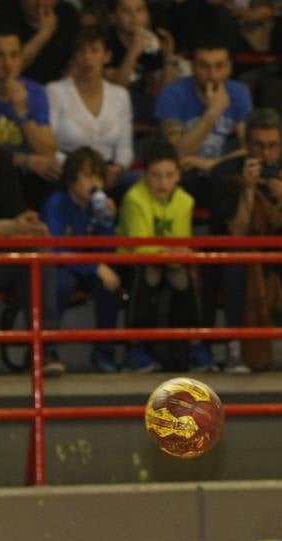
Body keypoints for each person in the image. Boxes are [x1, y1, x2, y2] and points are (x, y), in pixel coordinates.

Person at [209, 107, 282, 375]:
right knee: (237, 261)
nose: (265, 153)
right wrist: (247, 188)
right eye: (258, 145)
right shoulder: (225, 173)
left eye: (272, 146)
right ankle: (234, 346)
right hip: (239, 252)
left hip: (279, 250)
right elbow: (236, 233)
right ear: (246, 145)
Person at [117, 139, 213, 375]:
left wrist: (172, 254)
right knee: (149, 271)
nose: (163, 182)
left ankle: (192, 344)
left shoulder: (185, 201)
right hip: (130, 263)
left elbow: (181, 244)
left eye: (169, 175)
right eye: (156, 175)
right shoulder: (134, 199)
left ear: (178, 176)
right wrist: (169, 252)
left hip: (167, 262)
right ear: (144, 175)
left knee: (181, 274)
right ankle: (136, 347)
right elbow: (140, 249)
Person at [0, 97, 50, 378]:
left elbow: (14, 208)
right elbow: (3, 224)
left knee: (37, 261)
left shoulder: (0, 159)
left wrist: (27, 221)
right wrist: (3, 227)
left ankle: (42, 351)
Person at [38, 147, 122, 376]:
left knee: (110, 285)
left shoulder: (100, 205)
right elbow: (55, 248)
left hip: (89, 267)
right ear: (71, 178)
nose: (93, 183)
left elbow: (109, 251)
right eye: (87, 176)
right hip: (63, 267)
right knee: (60, 283)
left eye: (97, 176)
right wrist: (94, 266)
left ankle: (103, 352)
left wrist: (107, 221)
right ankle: (48, 350)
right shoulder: (56, 203)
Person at [154, 35, 253, 195]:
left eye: (219, 66)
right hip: (184, 174)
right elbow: (178, 154)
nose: (212, 75)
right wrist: (213, 113)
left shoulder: (239, 93)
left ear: (229, 67)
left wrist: (213, 164)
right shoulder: (172, 94)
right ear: (192, 67)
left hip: (222, 173)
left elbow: (250, 149)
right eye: (204, 66)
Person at [0, 25, 61, 208]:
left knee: (52, 175)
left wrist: (22, 112)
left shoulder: (35, 91)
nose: (7, 64)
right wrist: (24, 160)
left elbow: (48, 149)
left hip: (25, 172)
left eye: (14, 55)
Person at [46, 29, 134, 194]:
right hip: (68, 170)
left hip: (109, 171)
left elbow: (125, 149)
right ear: (73, 58)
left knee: (138, 182)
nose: (87, 58)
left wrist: (117, 168)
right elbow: (49, 145)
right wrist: (82, 172)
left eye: (94, 51)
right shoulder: (55, 91)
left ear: (106, 56)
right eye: (81, 51)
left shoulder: (120, 95)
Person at [105, 0, 181, 126]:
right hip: (114, 111)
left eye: (139, 10)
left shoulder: (152, 43)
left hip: (146, 108)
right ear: (113, 17)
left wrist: (168, 57)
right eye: (125, 11)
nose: (133, 16)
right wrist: (134, 51)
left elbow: (165, 91)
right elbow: (116, 89)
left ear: (147, 15)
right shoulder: (107, 44)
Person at [0, 0, 82, 86]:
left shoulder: (68, 13)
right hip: (13, 87)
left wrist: (58, 90)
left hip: (58, 90)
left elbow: (78, 60)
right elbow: (7, 67)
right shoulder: (1, 12)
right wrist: (44, 33)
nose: (41, 2)